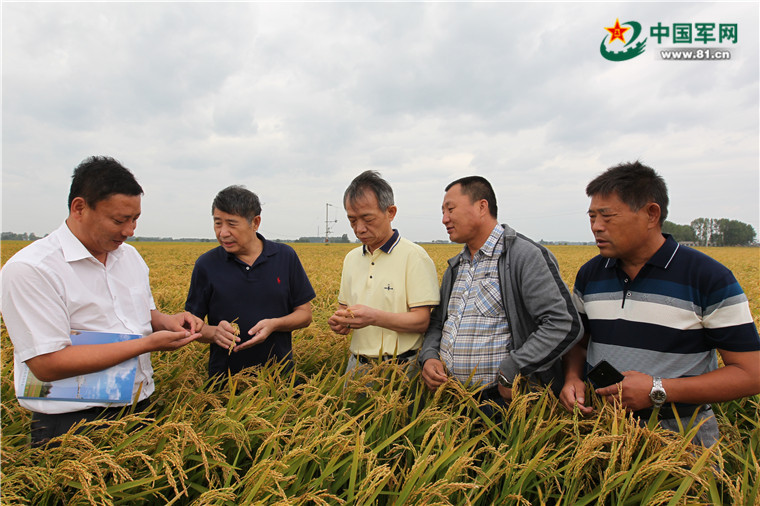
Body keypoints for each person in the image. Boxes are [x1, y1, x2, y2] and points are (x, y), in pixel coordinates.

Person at [0, 156, 203, 446]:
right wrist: (147, 344)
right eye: (119, 220)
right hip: (72, 423)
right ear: (79, 208)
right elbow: (46, 363)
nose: (129, 231)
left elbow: (140, 314)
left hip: (138, 408)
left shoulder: (129, 256)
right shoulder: (32, 269)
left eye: (134, 219)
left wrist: (166, 321)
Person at [559, 161, 760, 447]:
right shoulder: (590, 275)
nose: (596, 227)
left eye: (607, 216)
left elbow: (752, 374)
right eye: (592, 217)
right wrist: (572, 378)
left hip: (680, 436)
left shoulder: (707, 278)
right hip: (599, 428)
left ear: (651, 214)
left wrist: (658, 389)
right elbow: (579, 344)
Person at [420, 176, 583, 409]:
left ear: (481, 207)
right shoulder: (456, 267)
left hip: (501, 402)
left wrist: (514, 368)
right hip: (452, 399)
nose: (444, 219)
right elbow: (438, 322)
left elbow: (563, 322)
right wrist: (429, 356)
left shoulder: (524, 257)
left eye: (451, 209)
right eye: (442, 212)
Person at [185, 185, 315, 381]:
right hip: (224, 383)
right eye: (218, 223)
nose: (223, 233)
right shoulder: (206, 264)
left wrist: (275, 324)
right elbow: (191, 324)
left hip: (280, 381)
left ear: (255, 222)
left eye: (232, 224)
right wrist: (213, 332)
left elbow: (305, 315)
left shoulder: (285, 257)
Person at [328, 171, 440, 377]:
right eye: (352, 220)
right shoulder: (351, 259)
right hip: (357, 366)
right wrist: (341, 321)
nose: (359, 229)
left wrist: (374, 317)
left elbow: (421, 321)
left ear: (391, 212)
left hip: (402, 368)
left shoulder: (414, 256)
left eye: (367, 219)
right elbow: (344, 308)